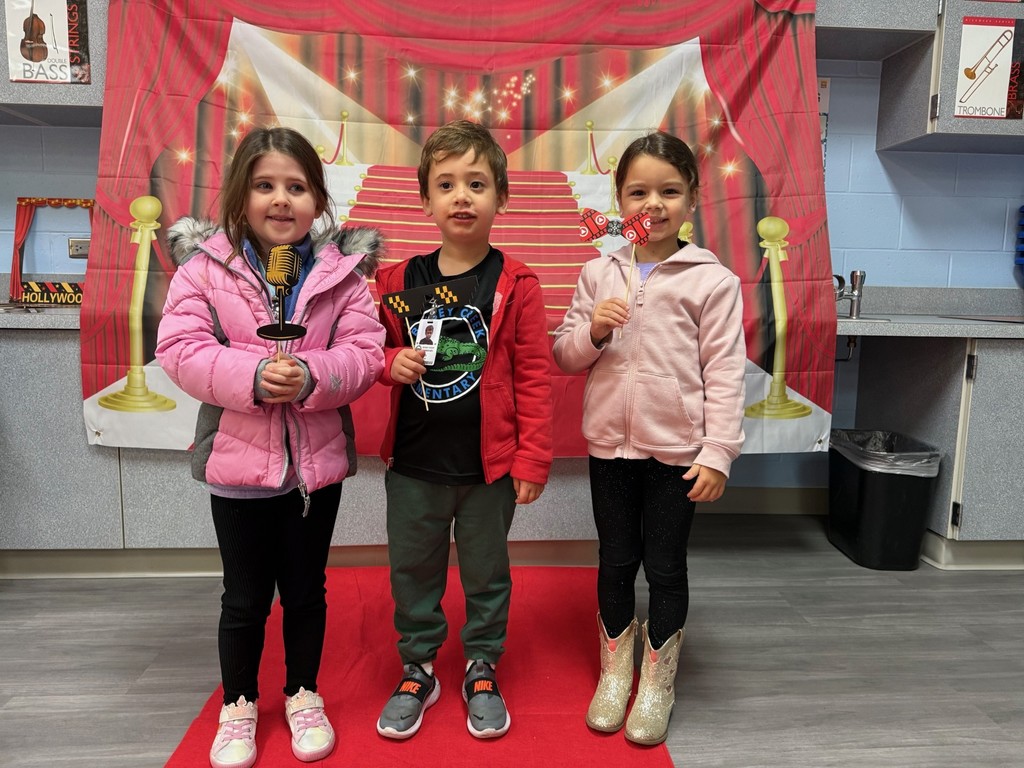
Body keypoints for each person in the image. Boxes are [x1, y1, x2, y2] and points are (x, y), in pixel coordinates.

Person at [155, 126, 386, 768]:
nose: (281, 200)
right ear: (240, 195)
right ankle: (238, 704)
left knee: (306, 590)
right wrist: (253, 375)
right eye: (265, 185)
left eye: (297, 187)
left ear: (318, 201)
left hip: (315, 469)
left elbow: (365, 353)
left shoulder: (342, 276)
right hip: (236, 466)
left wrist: (312, 374)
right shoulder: (205, 270)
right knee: (244, 597)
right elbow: (180, 348)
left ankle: (303, 692)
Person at [552, 131, 746, 746]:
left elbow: (725, 373)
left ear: (692, 199)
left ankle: (657, 683)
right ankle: (616, 674)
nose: (653, 204)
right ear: (619, 199)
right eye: (638, 192)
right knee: (615, 560)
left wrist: (718, 452)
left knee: (664, 566)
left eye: (670, 191)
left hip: (677, 455)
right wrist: (594, 333)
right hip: (610, 449)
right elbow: (564, 355)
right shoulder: (596, 272)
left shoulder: (713, 281)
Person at [374, 119, 553, 741]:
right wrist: (387, 363)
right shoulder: (396, 281)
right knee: (412, 571)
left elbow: (535, 377)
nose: (461, 196)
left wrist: (532, 459)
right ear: (425, 200)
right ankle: (418, 667)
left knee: (487, 572)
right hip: (413, 465)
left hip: (488, 470)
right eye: (446, 184)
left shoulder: (516, 284)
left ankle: (482, 663)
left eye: (477, 184)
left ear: (501, 197)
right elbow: (364, 348)